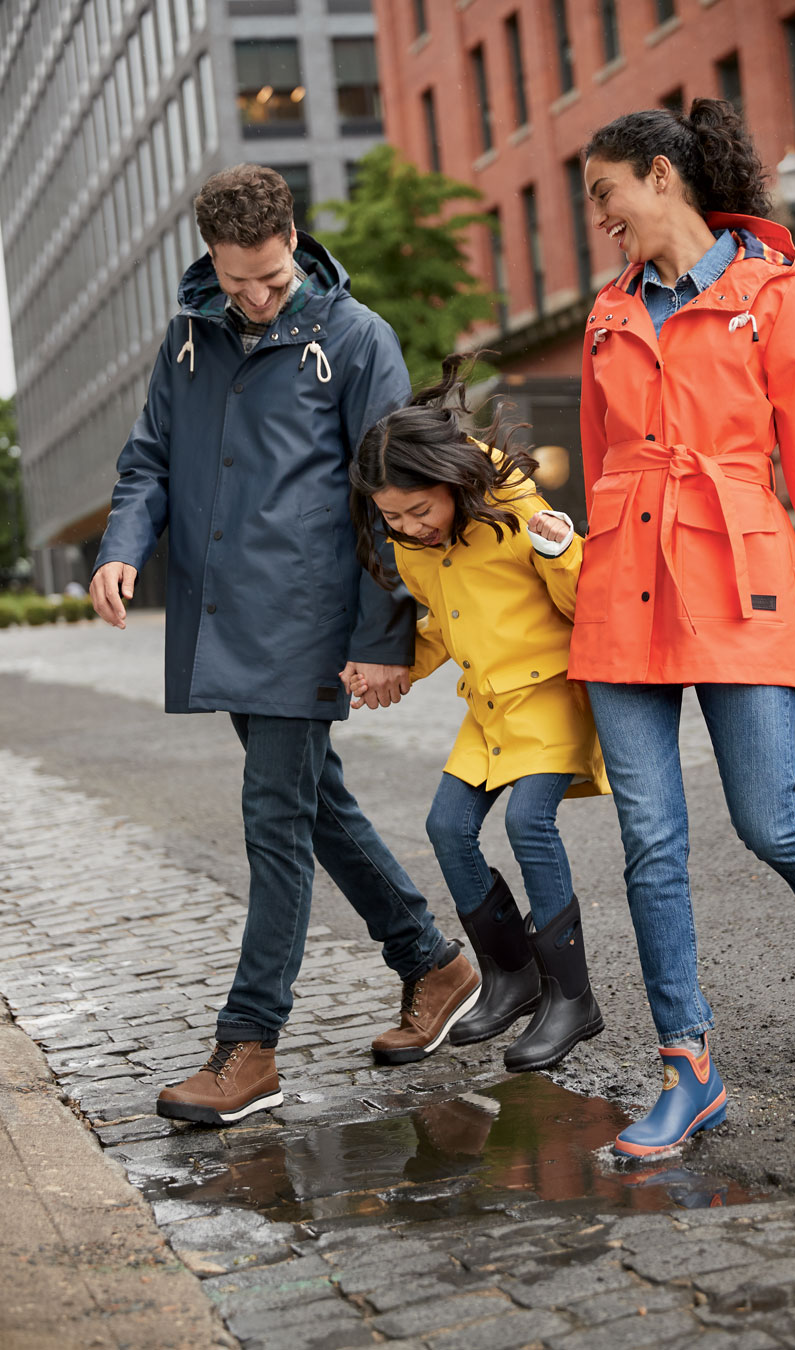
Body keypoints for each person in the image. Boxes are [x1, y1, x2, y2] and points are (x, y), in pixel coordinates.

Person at [89, 165, 479, 1127]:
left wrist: (382, 639)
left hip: (308, 624)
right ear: (210, 257)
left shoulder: (355, 338)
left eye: (269, 277)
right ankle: (435, 963)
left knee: (274, 820)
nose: (254, 296)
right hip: (224, 620)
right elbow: (149, 460)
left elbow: (387, 498)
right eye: (235, 280)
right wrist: (122, 548)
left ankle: (250, 1045)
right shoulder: (188, 340)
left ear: (293, 242)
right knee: (315, 806)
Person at [570, 100, 795, 1159]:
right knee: (650, 840)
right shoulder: (607, 317)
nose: (599, 216)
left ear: (661, 176)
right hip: (624, 596)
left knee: (767, 820)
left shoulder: (774, 294)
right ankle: (687, 1064)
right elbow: (600, 458)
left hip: (738, 581)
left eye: (605, 192)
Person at [345, 358, 608, 1073]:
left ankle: (572, 998)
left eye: (419, 510)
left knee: (530, 823)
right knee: (446, 826)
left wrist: (559, 551)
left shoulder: (513, 506)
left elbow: (586, 603)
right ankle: (514, 976)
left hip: (551, 692)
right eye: (391, 516)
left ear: (451, 481)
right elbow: (445, 626)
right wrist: (392, 666)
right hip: (490, 707)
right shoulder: (412, 544)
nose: (408, 527)